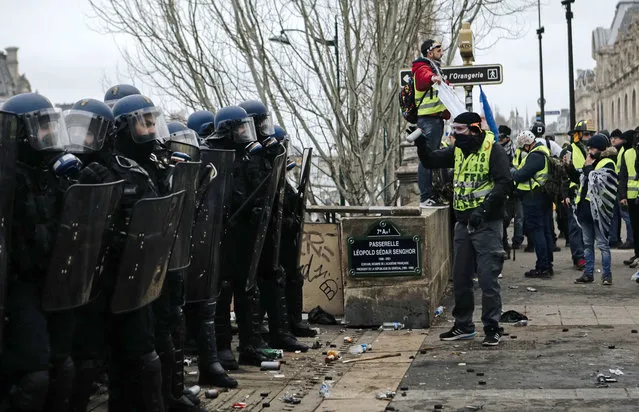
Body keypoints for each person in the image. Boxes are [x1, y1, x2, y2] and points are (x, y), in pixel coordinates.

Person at [0, 92, 81, 412]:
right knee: (32, 377)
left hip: (52, 282)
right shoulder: (7, 178)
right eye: (41, 126)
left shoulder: (52, 173)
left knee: (63, 368)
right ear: (20, 131)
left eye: (51, 125)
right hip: (17, 287)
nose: (49, 133)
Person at [416, 112, 511, 346]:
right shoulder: (458, 150)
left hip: (487, 224)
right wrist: (420, 143)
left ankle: (492, 327)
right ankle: (463, 325)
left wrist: (484, 210)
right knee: (460, 277)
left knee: (488, 279)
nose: (453, 135)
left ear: (474, 129)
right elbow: (430, 161)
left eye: (458, 130)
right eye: (453, 129)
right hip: (462, 224)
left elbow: (504, 183)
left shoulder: (493, 150)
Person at [237, 100, 308, 353]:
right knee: (252, 284)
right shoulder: (244, 156)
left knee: (275, 275)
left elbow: (280, 189)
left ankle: (281, 333)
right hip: (248, 230)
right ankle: (254, 340)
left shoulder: (266, 152)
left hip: (269, 227)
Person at [211, 105, 280, 367]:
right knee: (223, 288)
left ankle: (249, 346)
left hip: (245, 232)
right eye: (240, 127)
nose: (245, 132)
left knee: (246, 287)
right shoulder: (216, 155)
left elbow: (260, 186)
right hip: (223, 233)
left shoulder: (250, 156)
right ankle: (222, 347)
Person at [568, 134, 618, 285]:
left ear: (601, 149)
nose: (589, 151)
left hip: (599, 211)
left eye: (593, 148)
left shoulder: (608, 162)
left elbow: (597, 180)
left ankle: (607, 275)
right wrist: (569, 167)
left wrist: (588, 167)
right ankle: (588, 273)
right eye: (589, 148)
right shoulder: (592, 161)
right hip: (585, 209)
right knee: (587, 244)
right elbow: (581, 178)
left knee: (602, 244)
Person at [412, 39, 450, 207]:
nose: (441, 52)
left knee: (432, 157)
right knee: (426, 159)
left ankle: (431, 194)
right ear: (429, 51)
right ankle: (426, 196)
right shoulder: (422, 67)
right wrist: (433, 77)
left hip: (434, 119)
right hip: (428, 119)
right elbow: (422, 80)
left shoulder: (434, 68)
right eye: (438, 49)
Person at [512, 131, 554, 278]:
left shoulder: (536, 156)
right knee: (545, 231)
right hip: (542, 196)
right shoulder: (542, 152)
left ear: (527, 145)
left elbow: (520, 175)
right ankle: (547, 265)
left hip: (534, 198)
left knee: (538, 232)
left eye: (523, 147)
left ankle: (543, 267)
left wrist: (512, 172)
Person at [561, 120, 594, 270]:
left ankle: (587, 255)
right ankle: (579, 257)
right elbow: (563, 176)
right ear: (578, 135)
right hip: (574, 193)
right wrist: (565, 194)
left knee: (588, 227)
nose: (589, 137)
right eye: (586, 134)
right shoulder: (569, 150)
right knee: (576, 227)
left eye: (592, 134)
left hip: (588, 193)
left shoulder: (593, 151)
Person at [609, 129, 634, 249]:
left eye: (617, 138)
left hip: (626, 188)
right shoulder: (622, 151)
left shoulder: (625, 151)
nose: (614, 140)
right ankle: (621, 239)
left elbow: (623, 172)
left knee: (626, 216)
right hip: (622, 187)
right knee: (621, 215)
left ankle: (631, 240)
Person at [619, 130, 639, 268]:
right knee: (636, 228)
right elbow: (623, 176)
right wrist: (623, 196)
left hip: (633, 197)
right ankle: (637, 254)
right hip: (632, 197)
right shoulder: (627, 153)